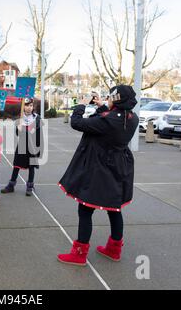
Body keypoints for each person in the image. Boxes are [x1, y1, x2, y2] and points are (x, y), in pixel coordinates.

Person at [57, 85, 139, 266]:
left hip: (100, 168)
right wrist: (103, 106)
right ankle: (114, 249)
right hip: (119, 166)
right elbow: (108, 121)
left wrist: (81, 105)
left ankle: (79, 254)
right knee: (114, 208)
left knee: (85, 209)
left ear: (116, 100)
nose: (107, 99)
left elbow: (77, 123)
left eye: (110, 97)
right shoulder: (132, 118)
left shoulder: (108, 120)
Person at [2, 98, 43, 196]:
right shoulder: (20, 118)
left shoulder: (37, 118)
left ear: (33, 107)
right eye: (27, 105)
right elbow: (18, 134)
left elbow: (39, 135)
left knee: (31, 167)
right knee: (16, 165)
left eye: (31, 106)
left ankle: (29, 187)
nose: (29, 108)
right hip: (22, 145)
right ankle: (11, 185)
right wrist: (19, 128)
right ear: (23, 106)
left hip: (33, 146)